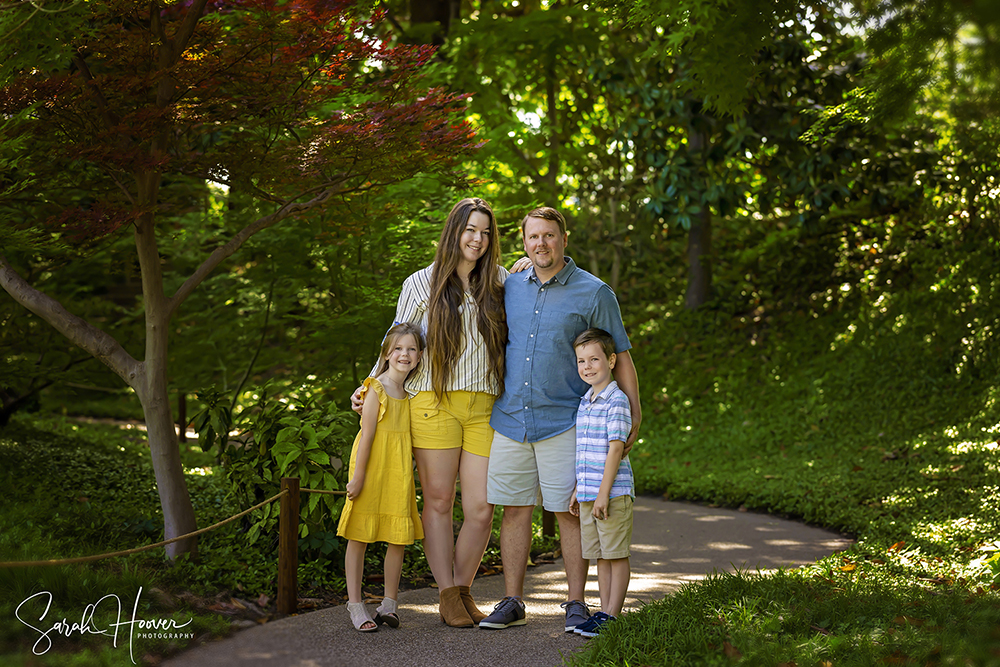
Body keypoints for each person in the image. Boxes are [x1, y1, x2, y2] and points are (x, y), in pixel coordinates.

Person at [479, 206, 641, 632]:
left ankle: (575, 602)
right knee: (513, 511)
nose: (541, 244)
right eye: (533, 237)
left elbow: (620, 355)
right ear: (524, 241)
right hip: (511, 419)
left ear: (564, 239)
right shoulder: (511, 285)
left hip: (565, 420)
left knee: (570, 512)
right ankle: (512, 600)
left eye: (549, 236)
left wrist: (634, 414)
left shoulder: (594, 292)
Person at [351, 197, 509, 627]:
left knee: (480, 507)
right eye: (470, 229)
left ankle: (462, 589)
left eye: (485, 232)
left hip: (484, 405)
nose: (477, 239)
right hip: (432, 402)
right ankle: (447, 594)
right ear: (454, 231)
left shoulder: (499, 280)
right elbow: (397, 340)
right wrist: (371, 386)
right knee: (438, 500)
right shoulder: (421, 283)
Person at [337, 322, 425, 632]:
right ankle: (355, 605)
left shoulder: (412, 391)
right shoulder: (375, 388)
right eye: (398, 348)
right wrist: (358, 477)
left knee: (397, 538)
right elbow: (368, 434)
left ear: (419, 356)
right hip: (371, 467)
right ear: (386, 354)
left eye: (412, 349)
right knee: (359, 536)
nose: (405, 354)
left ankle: (389, 604)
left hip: (398, 470)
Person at [568, 328, 633, 638]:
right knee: (601, 556)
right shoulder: (586, 401)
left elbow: (615, 448)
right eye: (581, 361)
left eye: (594, 359)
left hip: (612, 494)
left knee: (616, 554)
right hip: (589, 494)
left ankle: (613, 615)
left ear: (610, 360)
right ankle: (603, 612)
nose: (588, 366)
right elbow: (584, 452)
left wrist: (603, 494)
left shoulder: (616, 400)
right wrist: (579, 489)